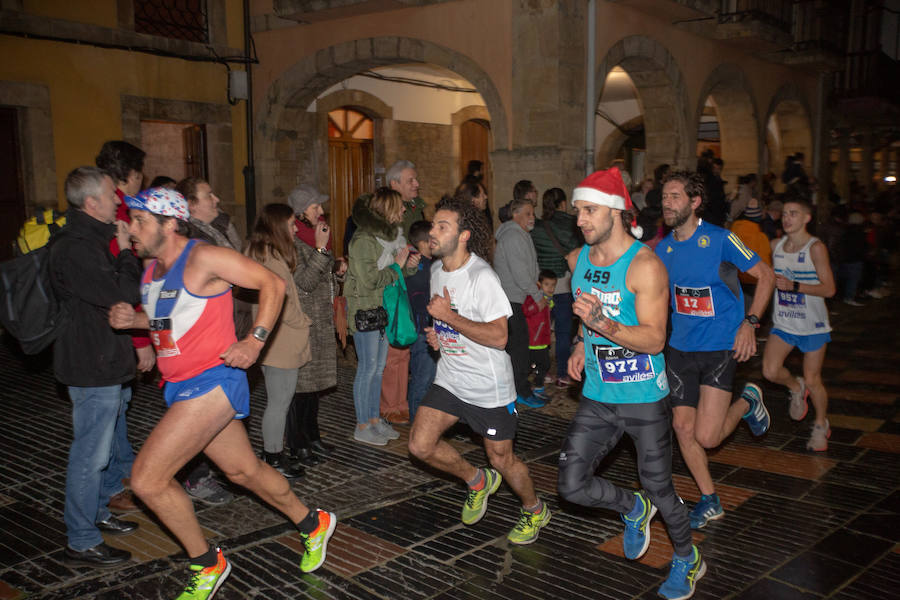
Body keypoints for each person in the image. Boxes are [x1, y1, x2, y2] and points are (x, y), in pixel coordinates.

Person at [110, 187, 335, 596]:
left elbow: (272, 284)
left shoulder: (203, 257)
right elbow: (170, 321)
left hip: (214, 380)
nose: (131, 229)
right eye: (131, 220)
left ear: (170, 223)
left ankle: (206, 563)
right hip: (179, 386)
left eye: (141, 221)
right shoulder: (151, 271)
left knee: (147, 479)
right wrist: (135, 321)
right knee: (242, 471)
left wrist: (255, 340)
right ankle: (311, 522)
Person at [558, 168, 704, 600]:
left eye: (589, 210)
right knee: (570, 485)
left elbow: (655, 338)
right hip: (599, 397)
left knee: (661, 486)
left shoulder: (646, 266)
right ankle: (632, 507)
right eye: (578, 211)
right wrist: (581, 345)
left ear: (617, 211)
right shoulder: (576, 261)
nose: (580, 219)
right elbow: (582, 316)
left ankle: (686, 558)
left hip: (643, 400)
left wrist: (600, 322)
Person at [408, 196, 551, 545]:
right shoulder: (437, 270)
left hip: (489, 387)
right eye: (433, 225)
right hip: (451, 377)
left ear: (463, 235)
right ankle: (476, 480)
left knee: (502, 458)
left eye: (444, 226)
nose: (433, 231)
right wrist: (438, 334)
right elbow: (448, 320)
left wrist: (449, 318)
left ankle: (534, 509)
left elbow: (500, 337)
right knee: (419, 445)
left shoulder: (482, 277)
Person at [656, 170, 775, 530]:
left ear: (694, 202)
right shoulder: (663, 249)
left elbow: (766, 276)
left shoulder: (722, 240)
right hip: (680, 349)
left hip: (721, 346)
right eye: (664, 196)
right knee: (682, 427)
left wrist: (750, 323)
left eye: (675, 196)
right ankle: (710, 499)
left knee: (707, 437)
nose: (666, 203)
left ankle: (748, 400)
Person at [51, 167, 145, 567]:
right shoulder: (76, 248)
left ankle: (98, 513)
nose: (117, 201)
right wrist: (126, 251)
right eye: (111, 195)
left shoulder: (91, 239)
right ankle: (81, 539)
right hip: (92, 364)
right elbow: (122, 295)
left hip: (105, 358)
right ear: (91, 203)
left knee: (104, 448)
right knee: (89, 454)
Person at [94, 140, 154, 513]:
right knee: (113, 409)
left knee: (117, 406)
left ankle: (120, 479)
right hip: (114, 330)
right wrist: (139, 338)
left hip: (102, 329)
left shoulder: (100, 206)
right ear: (132, 175)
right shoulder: (119, 212)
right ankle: (115, 487)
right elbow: (123, 283)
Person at [173, 176, 238, 505]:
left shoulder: (220, 230)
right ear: (190, 205)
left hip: (226, 333)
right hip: (204, 342)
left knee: (221, 413)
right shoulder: (194, 242)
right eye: (207, 195)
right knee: (199, 411)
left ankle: (220, 469)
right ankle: (193, 476)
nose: (216, 198)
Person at [345, 187, 420, 445]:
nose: (403, 210)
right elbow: (369, 281)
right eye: (399, 206)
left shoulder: (386, 238)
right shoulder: (364, 240)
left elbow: (392, 275)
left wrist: (406, 268)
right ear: (388, 209)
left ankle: (375, 419)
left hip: (381, 309)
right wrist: (397, 265)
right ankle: (362, 424)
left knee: (378, 368)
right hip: (365, 310)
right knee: (367, 369)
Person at [762, 197, 835, 451]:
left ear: (807, 218)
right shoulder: (775, 245)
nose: (787, 218)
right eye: (784, 214)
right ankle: (795, 387)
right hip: (784, 323)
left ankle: (820, 423)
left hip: (813, 325)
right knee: (770, 371)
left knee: (814, 379)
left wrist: (794, 286)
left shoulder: (816, 248)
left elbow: (830, 289)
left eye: (793, 213)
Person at [245, 203, 311, 478]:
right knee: (279, 401)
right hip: (281, 341)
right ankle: (272, 455)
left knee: (277, 399)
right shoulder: (271, 257)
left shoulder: (258, 251)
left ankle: (272, 451)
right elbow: (283, 303)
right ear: (278, 225)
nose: (296, 229)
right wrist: (304, 322)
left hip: (273, 338)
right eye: (292, 224)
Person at [285, 184, 346, 464]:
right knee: (300, 389)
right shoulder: (294, 242)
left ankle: (313, 436)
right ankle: (297, 443)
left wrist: (337, 272)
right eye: (315, 207)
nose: (321, 211)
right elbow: (305, 283)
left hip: (321, 321)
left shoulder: (316, 239)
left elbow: (322, 278)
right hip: (304, 323)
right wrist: (322, 252)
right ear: (301, 212)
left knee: (314, 389)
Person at [379, 160, 426, 425]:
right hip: (392, 289)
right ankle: (389, 405)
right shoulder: (385, 223)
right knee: (392, 352)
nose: (416, 184)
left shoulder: (415, 210)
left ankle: (401, 402)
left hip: (407, 285)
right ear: (394, 184)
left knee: (402, 348)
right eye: (410, 180)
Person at [493, 196, 545, 408]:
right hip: (511, 299)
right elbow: (521, 274)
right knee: (519, 349)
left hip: (516, 299)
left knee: (518, 347)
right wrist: (537, 295)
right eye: (528, 214)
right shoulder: (513, 236)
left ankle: (518, 390)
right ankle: (519, 391)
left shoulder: (519, 234)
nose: (532, 218)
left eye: (533, 214)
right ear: (515, 214)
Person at [530, 187, 580, 387]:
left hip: (543, 286)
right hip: (563, 286)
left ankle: (541, 371)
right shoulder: (571, 224)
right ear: (563, 203)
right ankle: (562, 374)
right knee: (562, 333)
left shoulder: (538, 227)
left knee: (539, 331)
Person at [405, 220, 438, 422]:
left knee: (430, 378)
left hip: (430, 328)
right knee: (422, 378)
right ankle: (417, 420)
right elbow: (419, 294)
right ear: (424, 241)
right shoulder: (415, 265)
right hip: (421, 329)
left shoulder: (430, 263)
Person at [177, 177, 242, 251]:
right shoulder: (190, 239)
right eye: (209, 196)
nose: (217, 199)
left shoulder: (222, 222)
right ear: (191, 204)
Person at [522, 270, 556, 401]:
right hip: (534, 340)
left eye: (553, 285)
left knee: (542, 365)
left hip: (542, 339)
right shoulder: (533, 297)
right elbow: (526, 311)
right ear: (539, 284)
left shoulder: (547, 298)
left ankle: (534, 385)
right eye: (547, 284)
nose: (551, 288)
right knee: (542, 365)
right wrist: (538, 305)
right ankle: (537, 387)